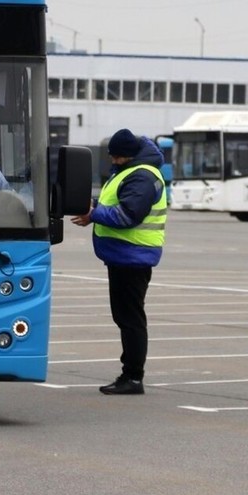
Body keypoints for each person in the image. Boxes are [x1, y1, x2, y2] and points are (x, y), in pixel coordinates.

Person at [71, 128, 167, 395]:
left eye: (117, 157)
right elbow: (112, 203)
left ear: (129, 155)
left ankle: (133, 377)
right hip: (125, 256)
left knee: (130, 318)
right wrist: (92, 207)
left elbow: (127, 215)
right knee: (126, 317)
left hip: (132, 257)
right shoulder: (131, 171)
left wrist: (95, 213)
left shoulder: (143, 176)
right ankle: (131, 374)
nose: (113, 161)